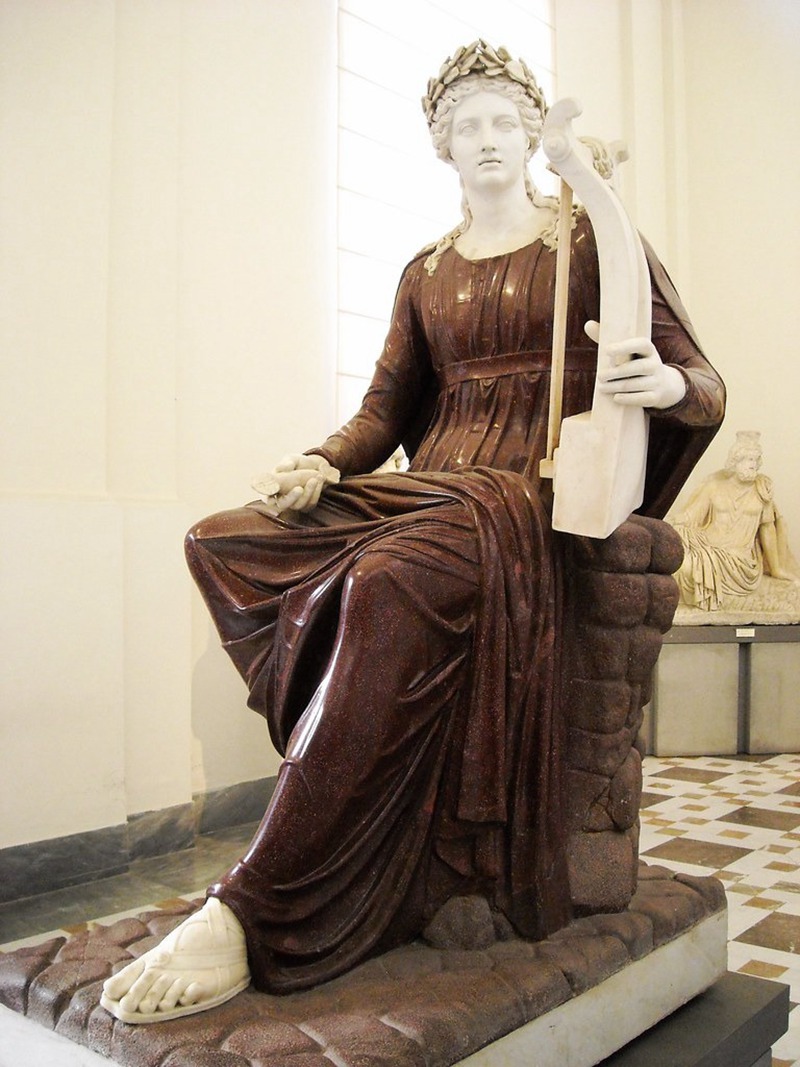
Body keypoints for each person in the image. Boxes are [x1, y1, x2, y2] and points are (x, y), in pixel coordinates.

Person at [101, 40, 725, 1023]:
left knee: (385, 580)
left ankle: (256, 903)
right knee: (221, 540)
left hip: (518, 505)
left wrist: (665, 384)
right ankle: (365, 743)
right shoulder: (423, 273)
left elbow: (703, 381)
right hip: (428, 489)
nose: (488, 139)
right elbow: (383, 414)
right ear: (443, 146)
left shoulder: (589, 240)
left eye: (505, 122)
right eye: (467, 126)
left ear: (533, 135)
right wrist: (321, 461)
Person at [673, 430, 798, 610]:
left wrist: (776, 568)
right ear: (735, 461)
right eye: (748, 459)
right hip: (707, 545)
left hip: (739, 557)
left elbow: (768, 529)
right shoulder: (714, 486)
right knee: (681, 563)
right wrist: (665, 523)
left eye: (756, 460)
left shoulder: (762, 491)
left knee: (689, 568)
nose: (753, 465)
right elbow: (689, 517)